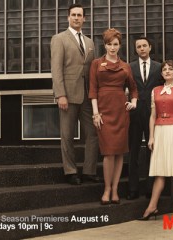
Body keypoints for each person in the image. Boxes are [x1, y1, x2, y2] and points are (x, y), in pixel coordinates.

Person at [138, 60, 173, 220]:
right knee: (160, 172)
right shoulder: (155, 90)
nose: (168, 71)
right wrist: (151, 136)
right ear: (161, 73)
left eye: (171, 69)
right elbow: (152, 115)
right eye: (164, 69)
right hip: (159, 131)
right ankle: (152, 206)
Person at [51, 4, 100, 185]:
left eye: (80, 15)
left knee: (93, 134)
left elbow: (92, 69)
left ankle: (89, 171)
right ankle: (70, 171)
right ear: (68, 17)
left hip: (88, 96)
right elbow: (56, 69)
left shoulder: (89, 42)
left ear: (84, 18)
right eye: (73, 15)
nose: (77, 18)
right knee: (67, 135)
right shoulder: (59, 39)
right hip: (68, 96)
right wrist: (60, 94)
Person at [89, 28, 138, 204]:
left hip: (120, 111)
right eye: (109, 44)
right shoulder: (96, 63)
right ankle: (106, 189)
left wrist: (133, 102)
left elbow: (133, 88)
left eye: (115, 44)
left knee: (119, 153)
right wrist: (95, 113)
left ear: (120, 45)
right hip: (103, 111)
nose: (112, 47)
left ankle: (115, 189)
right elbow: (93, 89)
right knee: (108, 153)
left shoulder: (126, 66)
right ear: (104, 45)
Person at [127, 37, 162, 200]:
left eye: (144, 46)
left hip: (153, 112)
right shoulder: (129, 67)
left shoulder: (158, 67)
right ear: (136, 49)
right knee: (133, 151)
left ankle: (150, 188)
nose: (141, 49)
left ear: (150, 47)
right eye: (138, 46)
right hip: (134, 113)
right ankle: (133, 189)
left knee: (151, 150)